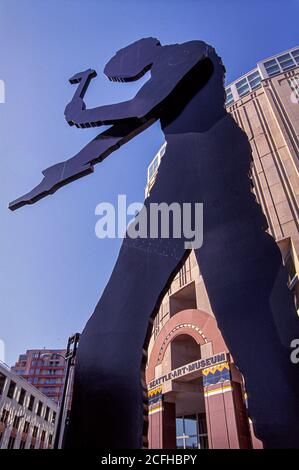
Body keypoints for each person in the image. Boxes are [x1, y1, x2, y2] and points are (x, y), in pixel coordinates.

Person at [10, 38, 299, 448]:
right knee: (110, 329)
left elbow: (139, 108)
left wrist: (83, 113)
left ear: (140, 49)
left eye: (118, 65)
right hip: (181, 178)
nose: (116, 73)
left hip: (212, 173)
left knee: (258, 333)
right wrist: (60, 172)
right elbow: (121, 130)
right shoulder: (167, 75)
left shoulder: (188, 53)